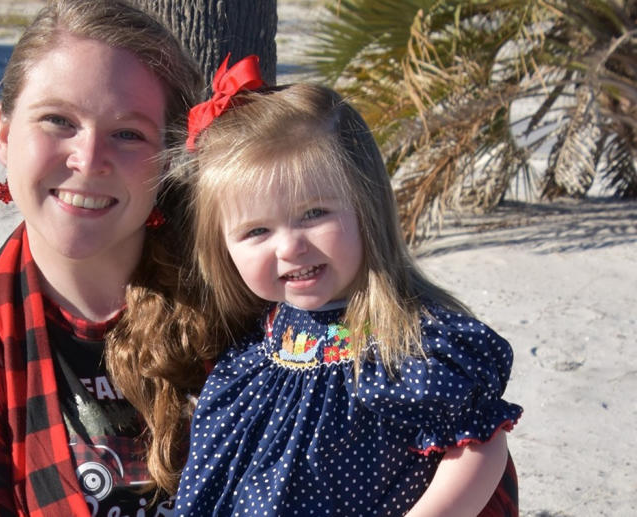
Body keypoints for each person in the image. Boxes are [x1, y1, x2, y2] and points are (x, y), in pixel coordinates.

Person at [115, 55, 524, 516]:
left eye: (314, 214)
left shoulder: (412, 342)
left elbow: (480, 443)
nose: (290, 248)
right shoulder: (251, 357)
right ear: (223, 249)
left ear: (364, 205)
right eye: (256, 232)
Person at [0, 1, 203, 515]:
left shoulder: (240, 301)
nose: (88, 160)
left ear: (168, 156)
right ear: (3, 133)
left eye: (128, 133)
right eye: (58, 120)